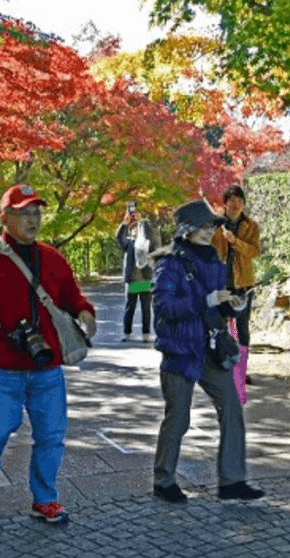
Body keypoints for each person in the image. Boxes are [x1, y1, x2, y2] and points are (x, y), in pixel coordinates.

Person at [0, 183, 97, 524]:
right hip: (3, 369)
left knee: (51, 436)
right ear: (5, 219)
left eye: (37, 212)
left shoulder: (53, 258)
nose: (33, 219)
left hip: (47, 369)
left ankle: (44, 498)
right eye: (24, 213)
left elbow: (72, 297)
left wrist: (86, 312)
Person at [151, 199, 265, 503]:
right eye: (202, 226)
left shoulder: (214, 259)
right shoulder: (169, 262)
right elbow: (164, 307)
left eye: (211, 226)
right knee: (178, 419)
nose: (208, 231)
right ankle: (163, 480)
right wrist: (207, 300)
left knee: (232, 409)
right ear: (186, 230)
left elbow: (217, 306)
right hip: (180, 352)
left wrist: (232, 305)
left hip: (211, 347)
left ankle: (232, 482)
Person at [212, 185, 261, 404]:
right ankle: (225, 369)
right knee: (222, 329)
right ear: (225, 203)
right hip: (221, 286)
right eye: (231, 201)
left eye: (239, 201)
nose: (235, 205)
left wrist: (235, 241)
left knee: (242, 329)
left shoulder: (251, 226)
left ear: (243, 203)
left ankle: (241, 370)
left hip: (243, 285)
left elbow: (254, 252)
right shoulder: (215, 225)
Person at [116, 201, 160, 342]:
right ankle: (127, 333)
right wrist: (125, 223)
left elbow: (152, 239)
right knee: (130, 308)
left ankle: (146, 334)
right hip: (132, 280)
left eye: (138, 229)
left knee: (146, 309)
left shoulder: (146, 243)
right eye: (134, 229)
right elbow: (118, 238)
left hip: (145, 278)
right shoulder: (128, 244)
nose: (136, 231)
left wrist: (142, 222)